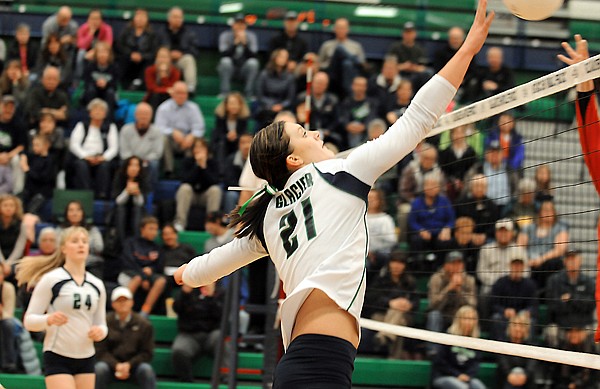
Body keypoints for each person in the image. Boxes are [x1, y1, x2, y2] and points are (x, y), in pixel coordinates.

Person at [174, 2, 494, 386]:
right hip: (319, 361)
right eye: (304, 133)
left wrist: (185, 273)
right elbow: (418, 118)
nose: (315, 133)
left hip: (305, 361)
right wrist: (468, 48)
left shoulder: (269, 215)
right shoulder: (343, 172)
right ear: (293, 158)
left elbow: (213, 264)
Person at [17, 226, 108, 389]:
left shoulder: (97, 284)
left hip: (86, 356)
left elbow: (102, 324)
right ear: (63, 248)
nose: (81, 245)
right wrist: (48, 319)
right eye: (75, 241)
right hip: (57, 355)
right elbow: (29, 321)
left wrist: (100, 332)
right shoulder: (51, 279)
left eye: (85, 242)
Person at [94, 286, 156, 389]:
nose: (122, 303)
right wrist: (116, 365)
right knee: (99, 369)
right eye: (118, 301)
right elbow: (101, 351)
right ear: (113, 304)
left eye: (125, 300)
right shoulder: (105, 322)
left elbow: (147, 352)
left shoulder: (144, 324)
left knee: (146, 370)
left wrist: (129, 365)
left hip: (135, 367)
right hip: (110, 367)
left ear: (132, 302)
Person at [364, 251, 418, 359]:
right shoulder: (381, 280)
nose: (397, 266)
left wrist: (409, 305)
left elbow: (416, 301)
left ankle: (383, 337)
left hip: (404, 316)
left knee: (398, 313)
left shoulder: (410, 282)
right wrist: (390, 303)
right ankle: (393, 357)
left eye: (400, 263)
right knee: (398, 324)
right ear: (389, 264)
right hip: (380, 316)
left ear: (404, 265)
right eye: (394, 262)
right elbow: (371, 299)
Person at [171, 281, 222, 382]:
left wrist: (211, 297)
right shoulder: (189, 289)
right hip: (189, 334)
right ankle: (187, 382)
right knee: (179, 350)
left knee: (222, 340)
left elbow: (222, 315)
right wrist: (185, 294)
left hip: (212, 334)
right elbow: (177, 308)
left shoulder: (220, 291)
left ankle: (226, 378)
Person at [68, 98, 119, 199]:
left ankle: (102, 195)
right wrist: (85, 156)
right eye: (95, 109)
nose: (98, 112)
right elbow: (74, 144)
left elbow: (114, 148)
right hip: (85, 156)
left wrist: (104, 157)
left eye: (101, 110)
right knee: (80, 165)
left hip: (101, 157)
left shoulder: (110, 127)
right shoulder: (82, 125)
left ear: (105, 114)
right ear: (90, 113)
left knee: (105, 166)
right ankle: (85, 193)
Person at [544, 249, 595, 348]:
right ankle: (554, 363)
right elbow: (553, 306)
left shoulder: (588, 281)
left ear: (580, 261)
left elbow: (591, 305)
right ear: (564, 261)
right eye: (569, 259)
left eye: (574, 258)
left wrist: (571, 298)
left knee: (595, 333)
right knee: (551, 332)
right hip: (562, 326)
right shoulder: (554, 280)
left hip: (583, 326)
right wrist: (570, 329)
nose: (571, 262)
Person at [155, 81, 205, 177]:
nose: (181, 96)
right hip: (171, 141)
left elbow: (200, 128)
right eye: (179, 93)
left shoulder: (193, 108)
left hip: (188, 141)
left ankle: (188, 172)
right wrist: (172, 132)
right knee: (163, 139)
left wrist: (192, 135)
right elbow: (159, 128)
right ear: (173, 93)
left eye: (184, 93)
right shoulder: (163, 108)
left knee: (197, 141)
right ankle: (168, 171)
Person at [516, 200, 569, 291]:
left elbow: (560, 249)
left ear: (554, 213)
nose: (547, 213)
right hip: (529, 262)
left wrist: (541, 259)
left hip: (548, 263)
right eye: (544, 210)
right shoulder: (529, 228)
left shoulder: (560, 228)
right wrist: (527, 260)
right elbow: (519, 246)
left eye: (549, 210)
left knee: (553, 264)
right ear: (540, 212)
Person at [119, 216, 165, 316]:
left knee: (161, 281)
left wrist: (151, 269)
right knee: (137, 278)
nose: (154, 232)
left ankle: (145, 311)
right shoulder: (131, 243)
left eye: (156, 229)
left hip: (149, 274)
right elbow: (128, 262)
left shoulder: (157, 248)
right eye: (151, 229)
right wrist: (143, 277)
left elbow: (160, 266)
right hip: (131, 272)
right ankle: (123, 310)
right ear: (142, 229)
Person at [408, 171, 455, 269]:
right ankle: (418, 269)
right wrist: (421, 230)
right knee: (416, 240)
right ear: (424, 186)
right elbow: (412, 222)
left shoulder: (444, 201)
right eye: (428, 184)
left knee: (446, 241)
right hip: (423, 234)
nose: (431, 187)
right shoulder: (416, 202)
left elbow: (451, 219)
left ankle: (440, 268)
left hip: (439, 233)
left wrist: (447, 228)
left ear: (438, 187)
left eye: (434, 184)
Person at [431, 306, 486, 389]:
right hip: (443, 376)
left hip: (466, 378)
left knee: (478, 385)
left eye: (472, 319)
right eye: (466, 318)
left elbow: (475, 364)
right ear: (458, 319)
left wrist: (467, 375)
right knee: (462, 387)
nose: (469, 322)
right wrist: (457, 374)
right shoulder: (448, 337)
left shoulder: (476, 341)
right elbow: (440, 361)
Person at [174, 138, 222, 231]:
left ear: (207, 150)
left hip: (205, 195)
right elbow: (185, 180)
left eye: (202, 147)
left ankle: (211, 223)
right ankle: (180, 223)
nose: (199, 150)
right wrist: (197, 166)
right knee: (184, 188)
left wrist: (203, 167)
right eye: (196, 147)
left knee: (215, 190)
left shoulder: (213, 163)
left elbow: (214, 181)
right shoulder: (187, 161)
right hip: (191, 195)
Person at [318, 18, 367, 98]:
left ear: (348, 29)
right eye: (338, 28)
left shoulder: (356, 46)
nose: (341, 30)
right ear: (334, 29)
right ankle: (352, 58)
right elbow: (319, 64)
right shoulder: (327, 45)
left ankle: (348, 92)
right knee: (339, 49)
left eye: (343, 28)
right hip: (332, 76)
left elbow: (362, 66)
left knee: (346, 64)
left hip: (350, 77)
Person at [490, 258, 537, 341]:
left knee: (531, 321)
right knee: (496, 318)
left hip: (522, 317)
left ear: (523, 268)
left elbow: (533, 305)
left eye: (519, 266)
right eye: (515, 265)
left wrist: (527, 312)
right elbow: (493, 304)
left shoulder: (530, 284)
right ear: (510, 266)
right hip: (505, 316)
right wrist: (504, 311)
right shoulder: (500, 282)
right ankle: (500, 350)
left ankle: (528, 350)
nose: (517, 268)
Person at [119, 102, 164, 189]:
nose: (144, 117)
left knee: (154, 164)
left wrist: (143, 162)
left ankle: (150, 191)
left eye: (147, 114)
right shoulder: (126, 129)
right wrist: (135, 162)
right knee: (123, 163)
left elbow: (157, 152)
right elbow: (124, 151)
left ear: (151, 116)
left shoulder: (157, 131)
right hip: (130, 160)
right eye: (141, 114)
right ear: (135, 115)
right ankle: (124, 189)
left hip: (147, 161)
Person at [56, 200, 105, 279]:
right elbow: (57, 247)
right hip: (65, 263)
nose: (75, 213)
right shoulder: (61, 230)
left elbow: (99, 247)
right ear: (66, 213)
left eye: (78, 210)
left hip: (90, 264)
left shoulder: (92, 229)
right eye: (71, 210)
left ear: (83, 213)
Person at [217, 14, 260, 97]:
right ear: (233, 25)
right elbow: (223, 54)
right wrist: (234, 44)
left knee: (253, 63)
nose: (240, 26)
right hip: (230, 69)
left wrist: (245, 44)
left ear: (246, 26)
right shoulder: (225, 35)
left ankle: (249, 94)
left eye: (242, 24)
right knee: (225, 61)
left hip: (244, 70)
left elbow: (253, 55)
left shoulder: (251, 36)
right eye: (237, 23)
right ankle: (225, 93)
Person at [116, 8, 159, 90]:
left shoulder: (152, 34)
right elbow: (120, 45)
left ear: (147, 20)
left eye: (143, 17)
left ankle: (138, 82)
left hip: (144, 60)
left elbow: (153, 51)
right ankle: (120, 84)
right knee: (122, 59)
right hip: (128, 58)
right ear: (134, 18)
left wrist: (141, 56)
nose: (140, 19)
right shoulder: (126, 31)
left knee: (149, 63)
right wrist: (131, 54)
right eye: (138, 16)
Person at [160, 7, 199, 94]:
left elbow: (195, 52)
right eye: (175, 17)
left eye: (180, 17)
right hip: (165, 61)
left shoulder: (190, 34)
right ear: (169, 18)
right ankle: (159, 87)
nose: (178, 19)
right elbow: (155, 50)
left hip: (181, 61)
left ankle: (190, 88)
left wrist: (181, 54)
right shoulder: (161, 33)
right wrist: (168, 54)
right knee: (161, 58)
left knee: (189, 59)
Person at [111, 156, 151, 242]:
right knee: (120, 209)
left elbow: (141, 203)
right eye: (131, 165)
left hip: (137, 212)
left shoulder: (143, 179)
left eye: (136, 165)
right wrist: (127, 191)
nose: (133, 168)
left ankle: (136, 242)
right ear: (126, 167)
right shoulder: (119, 177)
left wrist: (137, 194)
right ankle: (121, 242)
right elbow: (118, 201)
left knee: (137, 210)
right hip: (120, 212)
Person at [255, 48, 296, 129]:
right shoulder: (264, 74)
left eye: (285, 57)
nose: (283, 59)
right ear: (274, 57)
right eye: (281, 56)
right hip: (266, 107)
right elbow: (259, 94)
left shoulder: (290, 77)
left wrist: (281, 105)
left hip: (282, 107)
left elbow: (290, 98)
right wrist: (271, 106)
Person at [386, 22, 432, 92]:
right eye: (406, 33)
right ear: (403, 34)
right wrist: (403, 66)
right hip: (399, 75)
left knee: (428, 73)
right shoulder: (395, 48)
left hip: (415, 76)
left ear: (415, 34)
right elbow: (388, 65)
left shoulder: (420, 49)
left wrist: (413, 68)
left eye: (410, 33)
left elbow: (423, 68)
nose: (408, 35)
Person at [19, 133, 57, 214]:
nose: (34, 148)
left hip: (42, 192)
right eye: (33, 145)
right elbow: (23, 151)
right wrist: (23, 156)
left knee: (31, 210)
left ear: (46, 145)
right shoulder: (33, 157)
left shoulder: (50, 160)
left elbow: (44, 178)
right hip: (29, 190)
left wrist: (27, 170)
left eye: (37, 145)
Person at [496, 314, 537, 389]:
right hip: (506, 380)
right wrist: (509, 375)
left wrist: (525, 375)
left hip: (526, 381)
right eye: (515, 325)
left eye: (521, 326)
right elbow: (503, 364)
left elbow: (531, 366)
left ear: (526, 329)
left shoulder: (532, 345)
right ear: (509, 327)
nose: (518, 329)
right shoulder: (503, 344)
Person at [338, 76, 379, 149]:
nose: (359, 88)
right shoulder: (346, 102)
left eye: (362, 86)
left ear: (366, 87)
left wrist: (364, 126)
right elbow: (343, 119)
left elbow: (372, 118)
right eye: (357, 85)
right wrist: (348, 126)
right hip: (349, 134)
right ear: (352, 86)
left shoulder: (372, 103)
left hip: (366, 134)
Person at [211, 92, 250, 171]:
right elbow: (218, 134)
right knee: (221, 145)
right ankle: (220, 172)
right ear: (226, 105)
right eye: (231, 103)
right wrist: (227, 136)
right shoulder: (220, 118)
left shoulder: (243, 119)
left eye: (236, 104)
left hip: (237, 143)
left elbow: (243, 134)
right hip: (222, 144)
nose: (234, 106)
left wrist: (237, 136)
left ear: (240, 105)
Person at [438, 125, 477, 202]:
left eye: (461, 132)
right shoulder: (445, 153)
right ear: (451, 135)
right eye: (455, 133)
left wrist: (464, 183)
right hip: (448, 190)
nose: (458, 135)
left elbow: (473, 170)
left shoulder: (471, 152)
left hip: (467, 189)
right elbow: (443, 172)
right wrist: (453, 181)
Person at [80, 41, 118, 116]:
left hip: (107, 91)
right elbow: (86, 82)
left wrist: (106, 84)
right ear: (96, 54)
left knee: (110, 93)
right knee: (90, 90)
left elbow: (115, 84)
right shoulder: (90, 66)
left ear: (109, 54)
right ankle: (89, 117)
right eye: (100, 52)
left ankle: (108, 120)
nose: (102, 55)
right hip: (93, 90)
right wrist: (96, 83)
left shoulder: (114, 67)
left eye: (105, 52)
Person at [75, 9, 113, 81]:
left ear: (101, 20)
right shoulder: (83, 28)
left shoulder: (107, 29)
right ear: (88, 19)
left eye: (97, 19)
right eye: (92, 18)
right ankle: (79, 79)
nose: (94, 21)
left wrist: (95, 51)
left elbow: (108, 44)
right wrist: (90, 33)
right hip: (87, 53)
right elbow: (80, 45)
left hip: (101, 52)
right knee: (81, 54)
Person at [366, 188, 397, 276]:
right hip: (362, 254)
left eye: (373, 198)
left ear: (379, 200)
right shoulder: (359, 218)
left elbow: (392, 241)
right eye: (369, 198)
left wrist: (373, 252)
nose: (371, 201)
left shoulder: (385, 219)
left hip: (381, 254)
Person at [144, 46, 181, 111]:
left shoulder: (176, 72)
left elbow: (173, 89)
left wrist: (164, 77)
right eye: (160, 57)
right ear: (156, 58)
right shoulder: (149, 70)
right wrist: (166, 90)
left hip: (169, 97)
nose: (162, 60)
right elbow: (151, 88)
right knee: (156, 96)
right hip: (153, 98)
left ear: (170, 59)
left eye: (165, 57)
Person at [0, 194, 27, 278]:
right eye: (5, 205)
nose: (8, 208)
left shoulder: (22, 225)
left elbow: (19, 247)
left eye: (11, 205)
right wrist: (3, 263)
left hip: (15, 259)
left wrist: (8, 263)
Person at [0, 268, 18, 373]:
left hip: (4, 321)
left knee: (8, 325)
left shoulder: (8, 288)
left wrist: (1, 312)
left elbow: (9, 313)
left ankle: (9, 364)